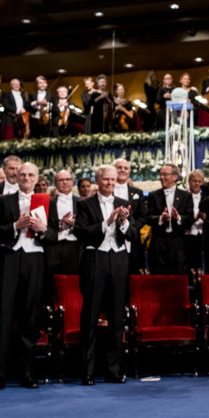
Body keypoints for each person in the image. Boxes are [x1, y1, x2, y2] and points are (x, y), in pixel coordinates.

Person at [0, 162, 54, 390]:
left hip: (35, 261)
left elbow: (54, 235)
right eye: (22, 174)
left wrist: (43, 230)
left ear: (37, 178)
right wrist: (14, 225)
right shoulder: (2, 200)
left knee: (30, 318)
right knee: (3, 317)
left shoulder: (47, 201)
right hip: (8, 259)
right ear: (15, 176)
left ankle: (27, 374)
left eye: (30, 174)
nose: (25, 177)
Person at [73, 164, 139, 384]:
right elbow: (81, 232)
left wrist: (124, 223)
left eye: (113, 179)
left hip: (119, 261)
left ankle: (114, 371)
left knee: (117, 318)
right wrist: (107, 222)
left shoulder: (123, 203)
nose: (110, 183)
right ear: (97, 181)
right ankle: (88, 372)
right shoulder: (85, 204)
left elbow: (134, 235)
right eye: (106, 179)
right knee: (90, 317)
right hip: (95, 260)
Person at [145, 163, 192, 275]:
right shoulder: (153, 195)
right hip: (158, 243)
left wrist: (178, 218)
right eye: (161, 174)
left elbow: (190, 219)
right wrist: (161, 218)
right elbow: (147, 217)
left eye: (165, 174)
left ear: (175, 177)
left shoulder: (186, 195)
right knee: (157, 277)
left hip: (178, 243)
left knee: (177, 278)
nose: (161, 177)